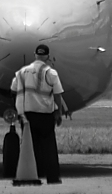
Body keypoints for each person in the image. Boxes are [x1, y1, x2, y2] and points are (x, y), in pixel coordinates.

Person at [11, 44, 70, 184]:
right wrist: (58, 112)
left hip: (27, 114)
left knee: (30, 146)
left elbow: (13, 89)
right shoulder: (50, 73)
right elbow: (57, 94)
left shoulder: (22, 72)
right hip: (45, 114)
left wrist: (19, 106)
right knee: (49, 147)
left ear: (35, 55)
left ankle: (33, 173)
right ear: (47, 57)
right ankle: (52, 177)